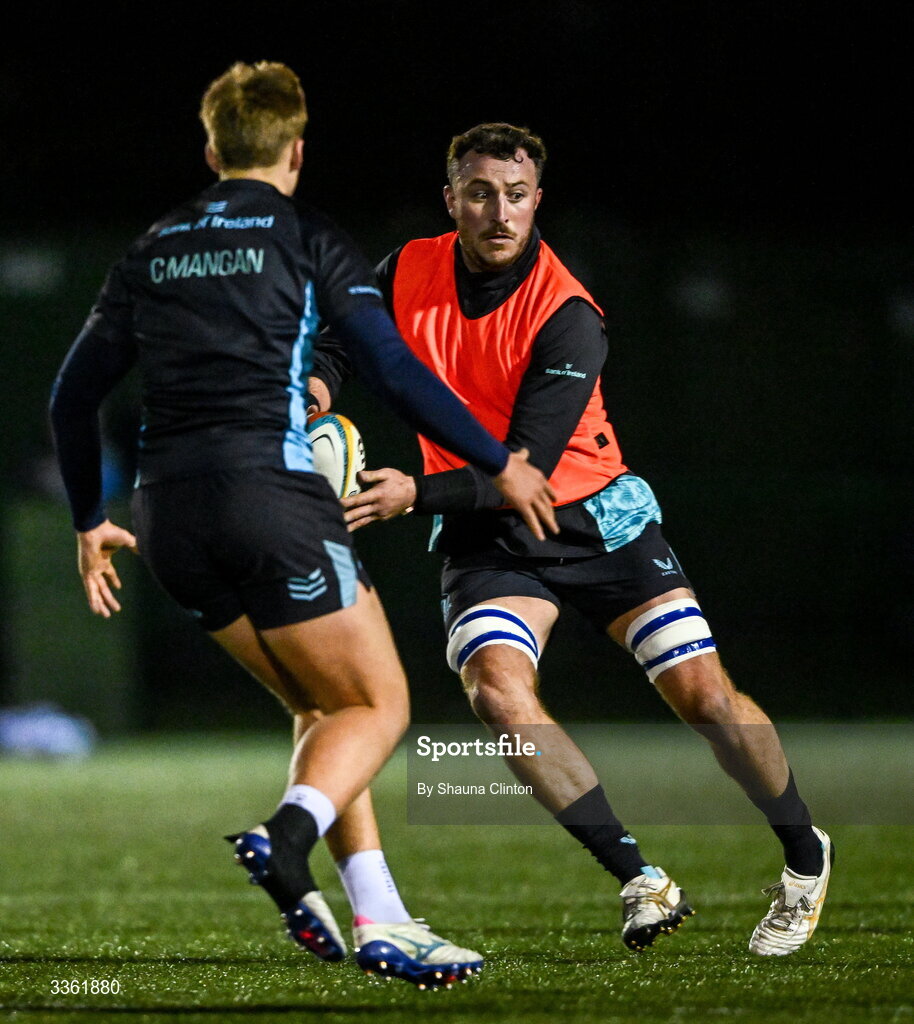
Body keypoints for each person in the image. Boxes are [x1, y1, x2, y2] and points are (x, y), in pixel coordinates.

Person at [48, 68, 559, 990]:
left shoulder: (153, 248)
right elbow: (398, 373)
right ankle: (286, 840)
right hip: (268, 500)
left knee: (325, 710)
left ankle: (382, 918)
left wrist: (90, 520)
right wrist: (500, 461)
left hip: (167, 518)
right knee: (380, 706)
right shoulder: (305, 236)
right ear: (294, 152)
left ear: (210, 151)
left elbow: (72, 396)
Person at [309, 122, 833, 957]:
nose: (499, 212)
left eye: (516, 195)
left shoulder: (567, 314)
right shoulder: (407, 266)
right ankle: (638, 877)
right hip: (489, 537)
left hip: (594, 519)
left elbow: (529, 469)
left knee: (704, 698)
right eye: (480, 193)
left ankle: (805, 856)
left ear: (536, 201)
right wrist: (316, 387)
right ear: (452, 201)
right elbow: (343, 338)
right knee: (495, 690)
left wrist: (415, 492)